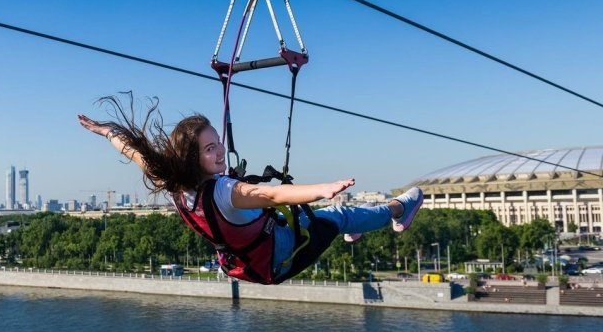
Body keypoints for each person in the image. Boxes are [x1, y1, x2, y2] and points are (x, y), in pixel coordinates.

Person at [78, 96, 423, 285]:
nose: (219, 152)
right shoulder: (224, 191)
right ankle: (399, 210)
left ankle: (350, 230)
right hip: (277, 257)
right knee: (339, 215)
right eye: (210, 148)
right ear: (191, 157)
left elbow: (133, 151)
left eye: (218, 143)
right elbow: (273, 196)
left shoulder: (174, 185)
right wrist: (325, 189)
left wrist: (105, 131)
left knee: (330, 223)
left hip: (241, 265)